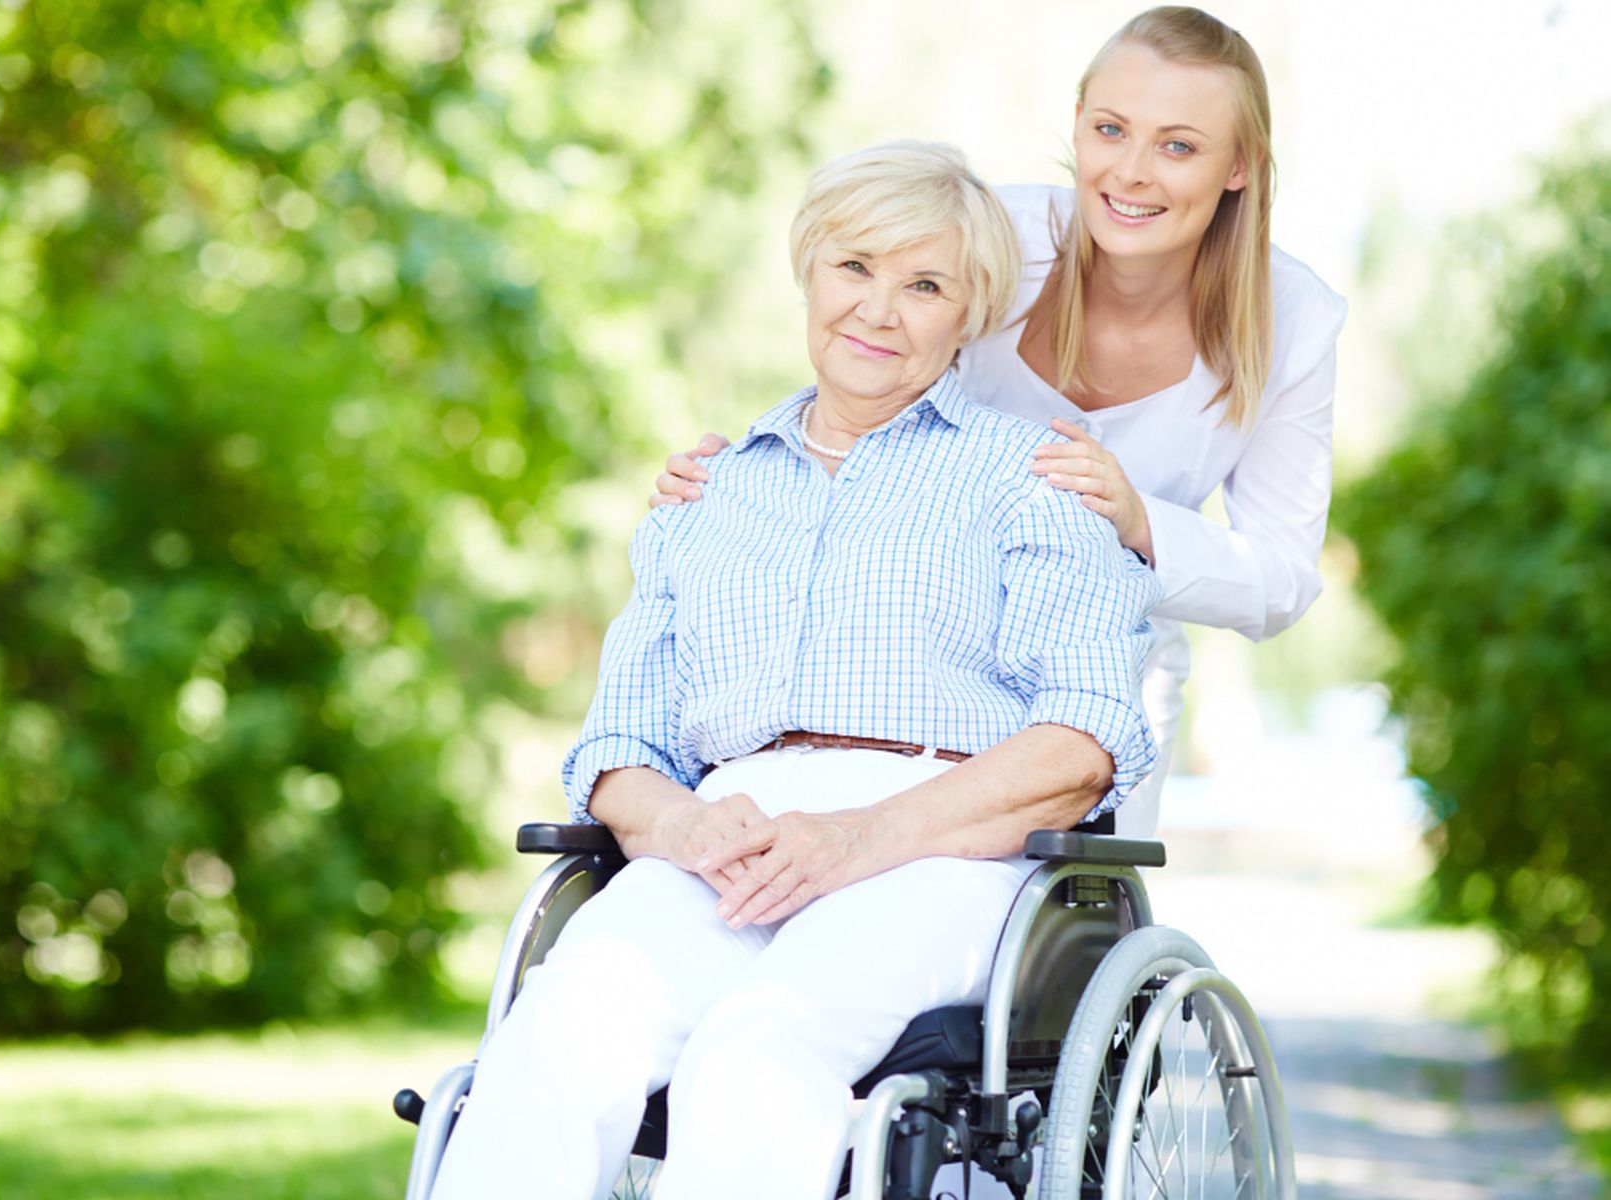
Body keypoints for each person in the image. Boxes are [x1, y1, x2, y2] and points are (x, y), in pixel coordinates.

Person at [429, 141, 1159, 1200]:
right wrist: (680, 828)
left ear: (969, 314)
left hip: (938, 848)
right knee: (555, 1029)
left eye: (924, 286)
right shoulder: (707, 494)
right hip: (725, 841)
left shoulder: (1029, 476)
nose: (878, 309)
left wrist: (862, 837)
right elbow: (617, 751)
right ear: (808, 272)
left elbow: (1081, 742)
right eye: (853, 267)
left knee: (756, 1053)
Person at [651, 6, 1347, 838]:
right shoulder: (995, 237)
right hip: (913, 650)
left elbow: (1277, 578)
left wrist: (1134, 521)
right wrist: (745, 480)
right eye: (1109, 129)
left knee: (1071, 927)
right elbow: (865, 358)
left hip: (1098, 671)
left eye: (1177, 146)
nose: (1129, 172)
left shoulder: (1293, 318)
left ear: (1240, 166)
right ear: (1078, 126)